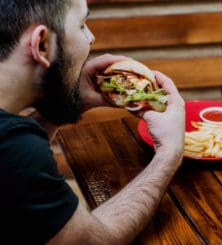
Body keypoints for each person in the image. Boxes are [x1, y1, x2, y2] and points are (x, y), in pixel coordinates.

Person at [0, 0, 185, 244]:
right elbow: (94, 240)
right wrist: (168, 154)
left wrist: (70, 103)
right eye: (82, 25)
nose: (91, 37)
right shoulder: (18, 151)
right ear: (42, 44)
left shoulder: (11, 147)